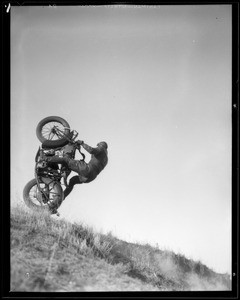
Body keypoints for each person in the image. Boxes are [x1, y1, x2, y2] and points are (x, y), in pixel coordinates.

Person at [43, 140, 108, 200]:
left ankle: (45, 158)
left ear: (101, 145)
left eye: (98, 146)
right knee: (72, 181)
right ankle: (61, 198)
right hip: (91, 177)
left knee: (66, 160)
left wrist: (82, 143)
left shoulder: (102, 149)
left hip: (88, 169)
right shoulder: (106, 159)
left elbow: (91, 150)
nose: (97, 147)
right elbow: (95, 162)